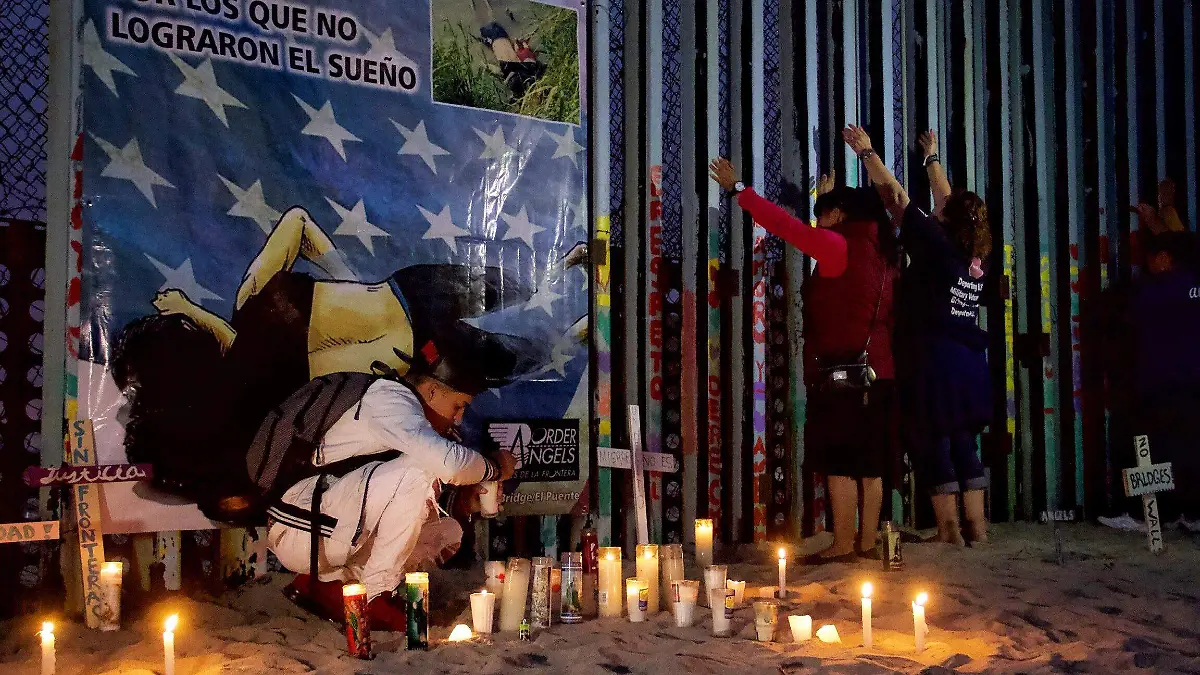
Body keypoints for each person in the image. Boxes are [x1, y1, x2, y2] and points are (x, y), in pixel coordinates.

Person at [111, 205, 546, 522]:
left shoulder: (261, 400)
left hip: (417, 322)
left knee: (535, 321)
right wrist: (350, 282)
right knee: (537, 315)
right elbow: (298, 222)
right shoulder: (252, 321)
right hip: (414, 308)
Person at [709, 157, 899, 563]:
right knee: (871, 465)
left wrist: (739, 189)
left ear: (840, 215)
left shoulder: (837, 247)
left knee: (839, 461)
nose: (819, 223)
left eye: (824, 214)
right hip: (880, 373)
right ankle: (867, 543)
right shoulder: (884, 254)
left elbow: (786, 227)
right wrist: (825, 201)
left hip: (843, 374)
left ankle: (842, 543)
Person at [270, 327, 520, 631]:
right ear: (432, 392)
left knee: (446, 530)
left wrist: (467, 501)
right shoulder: (389, 400)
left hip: (323, 529)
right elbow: (449, 464)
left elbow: (403, 499)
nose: (458, 418)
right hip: (299, 531)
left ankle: (331, 585)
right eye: (458, 406)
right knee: (421, 469)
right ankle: (376, 596)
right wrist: (495, 466)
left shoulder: (405, 412)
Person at [842, 126, 993, 546]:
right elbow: (949, 200)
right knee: (964, 441)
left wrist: (868, 153)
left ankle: (948, 529)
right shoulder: (975, 252)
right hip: (968, 363)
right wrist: (931, 159)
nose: (938, 205)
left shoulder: (934, 244)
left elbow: (895, 196)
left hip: (934, 360)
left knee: (934, 439)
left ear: (947, 219)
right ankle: (978, 529)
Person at [1097, 226, 1200, 532]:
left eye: (1150, 259)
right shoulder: (1194, 285)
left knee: (1148, 452)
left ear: (1164, 258)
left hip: (1158, 385)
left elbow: (1114, 305)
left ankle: (1146, 516)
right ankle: (1190, 515)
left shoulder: (1152, 290)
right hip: (1192, 386)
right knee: (1189, 451)